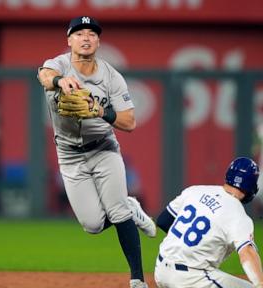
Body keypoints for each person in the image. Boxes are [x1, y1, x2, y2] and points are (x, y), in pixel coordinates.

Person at [37, 16, 156, 288]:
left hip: (104, 148)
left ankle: (137, 278)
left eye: (92, 33)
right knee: (92, 225)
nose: (86, 37)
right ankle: (132, 207)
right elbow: (44, 75)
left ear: (98, 41)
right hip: (69, 155)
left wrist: (101, 111)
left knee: (117, 212)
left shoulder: (111, 76)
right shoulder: (59, 65)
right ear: (69, 41)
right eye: (79, 33)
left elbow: (130, 122)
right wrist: (59, 82)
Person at [154, 157, 263, 288]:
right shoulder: (239, 215)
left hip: (160, 270)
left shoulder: (196, 190)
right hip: (192, 278)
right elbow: (247, 253)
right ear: (251, 186)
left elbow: (163, 220)